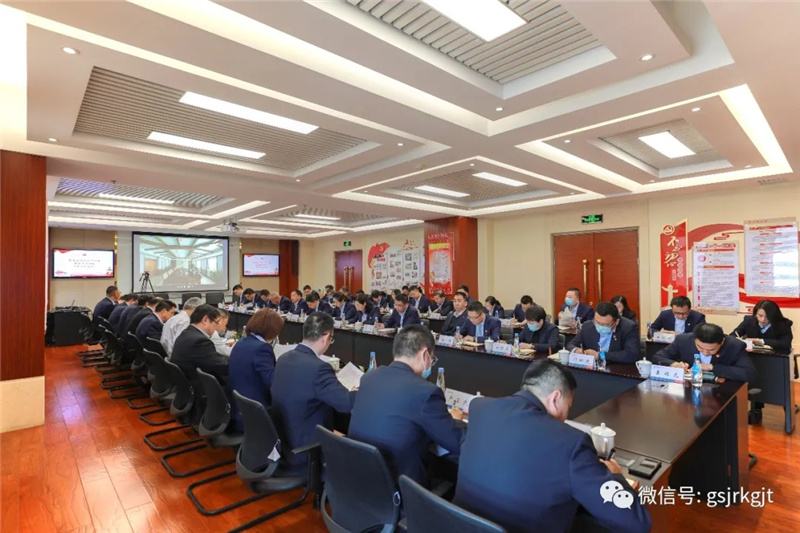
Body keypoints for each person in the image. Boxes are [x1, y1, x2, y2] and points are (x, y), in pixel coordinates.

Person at [454, 360, 651, 533]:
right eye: (568, 406)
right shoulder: (572, 443)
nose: (565, 416)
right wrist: (616, 476)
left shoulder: (480, 408)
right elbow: (636, 522)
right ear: (555, 398)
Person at [348, 325, 465, 486]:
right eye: (432, 358)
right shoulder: (426, 392)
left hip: (358, 477)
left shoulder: (369, 378)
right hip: (402, 486)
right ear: (424, 354)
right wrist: (455, 420)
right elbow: (456, 442)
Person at [271, 313, 356, 474]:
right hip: (306, 448)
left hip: (284, 441)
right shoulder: (319, 368)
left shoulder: (284, 358)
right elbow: (347, 404)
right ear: (326, 337)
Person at [228, 309, 284, 432]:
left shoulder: (241, 342)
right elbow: (272, 382)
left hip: (238, 405)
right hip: (254, 410)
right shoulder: (262, 348)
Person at [652, 323, 756, 384]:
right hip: (688, 390)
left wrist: (711, 367)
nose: (705, 353)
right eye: (700, 347)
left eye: (711, 350)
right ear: (694, 339)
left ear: (722, 342)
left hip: (720, 393)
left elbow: (749, 374)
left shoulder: (734, 346)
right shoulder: (683, 340)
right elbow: (657, 357)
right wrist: (674, 364)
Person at [170, 304, 229, 390]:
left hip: (184, 384)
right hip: (197, 387)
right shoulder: (200, 341)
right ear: (205, 320)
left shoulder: (187, 332)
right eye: (216, 323)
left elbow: (213, 358)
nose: (216, 328)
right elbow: (222, 366)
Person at [566, 302, 639, 363]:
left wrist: (600, 355)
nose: (600, 326)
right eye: (597, 322)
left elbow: (631, 355)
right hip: (591, 368)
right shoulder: (588, 325)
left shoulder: (629, 328)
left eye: (604, 325)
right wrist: (577, 350)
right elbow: (570, 344)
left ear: (616, 322)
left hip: (616, 369)